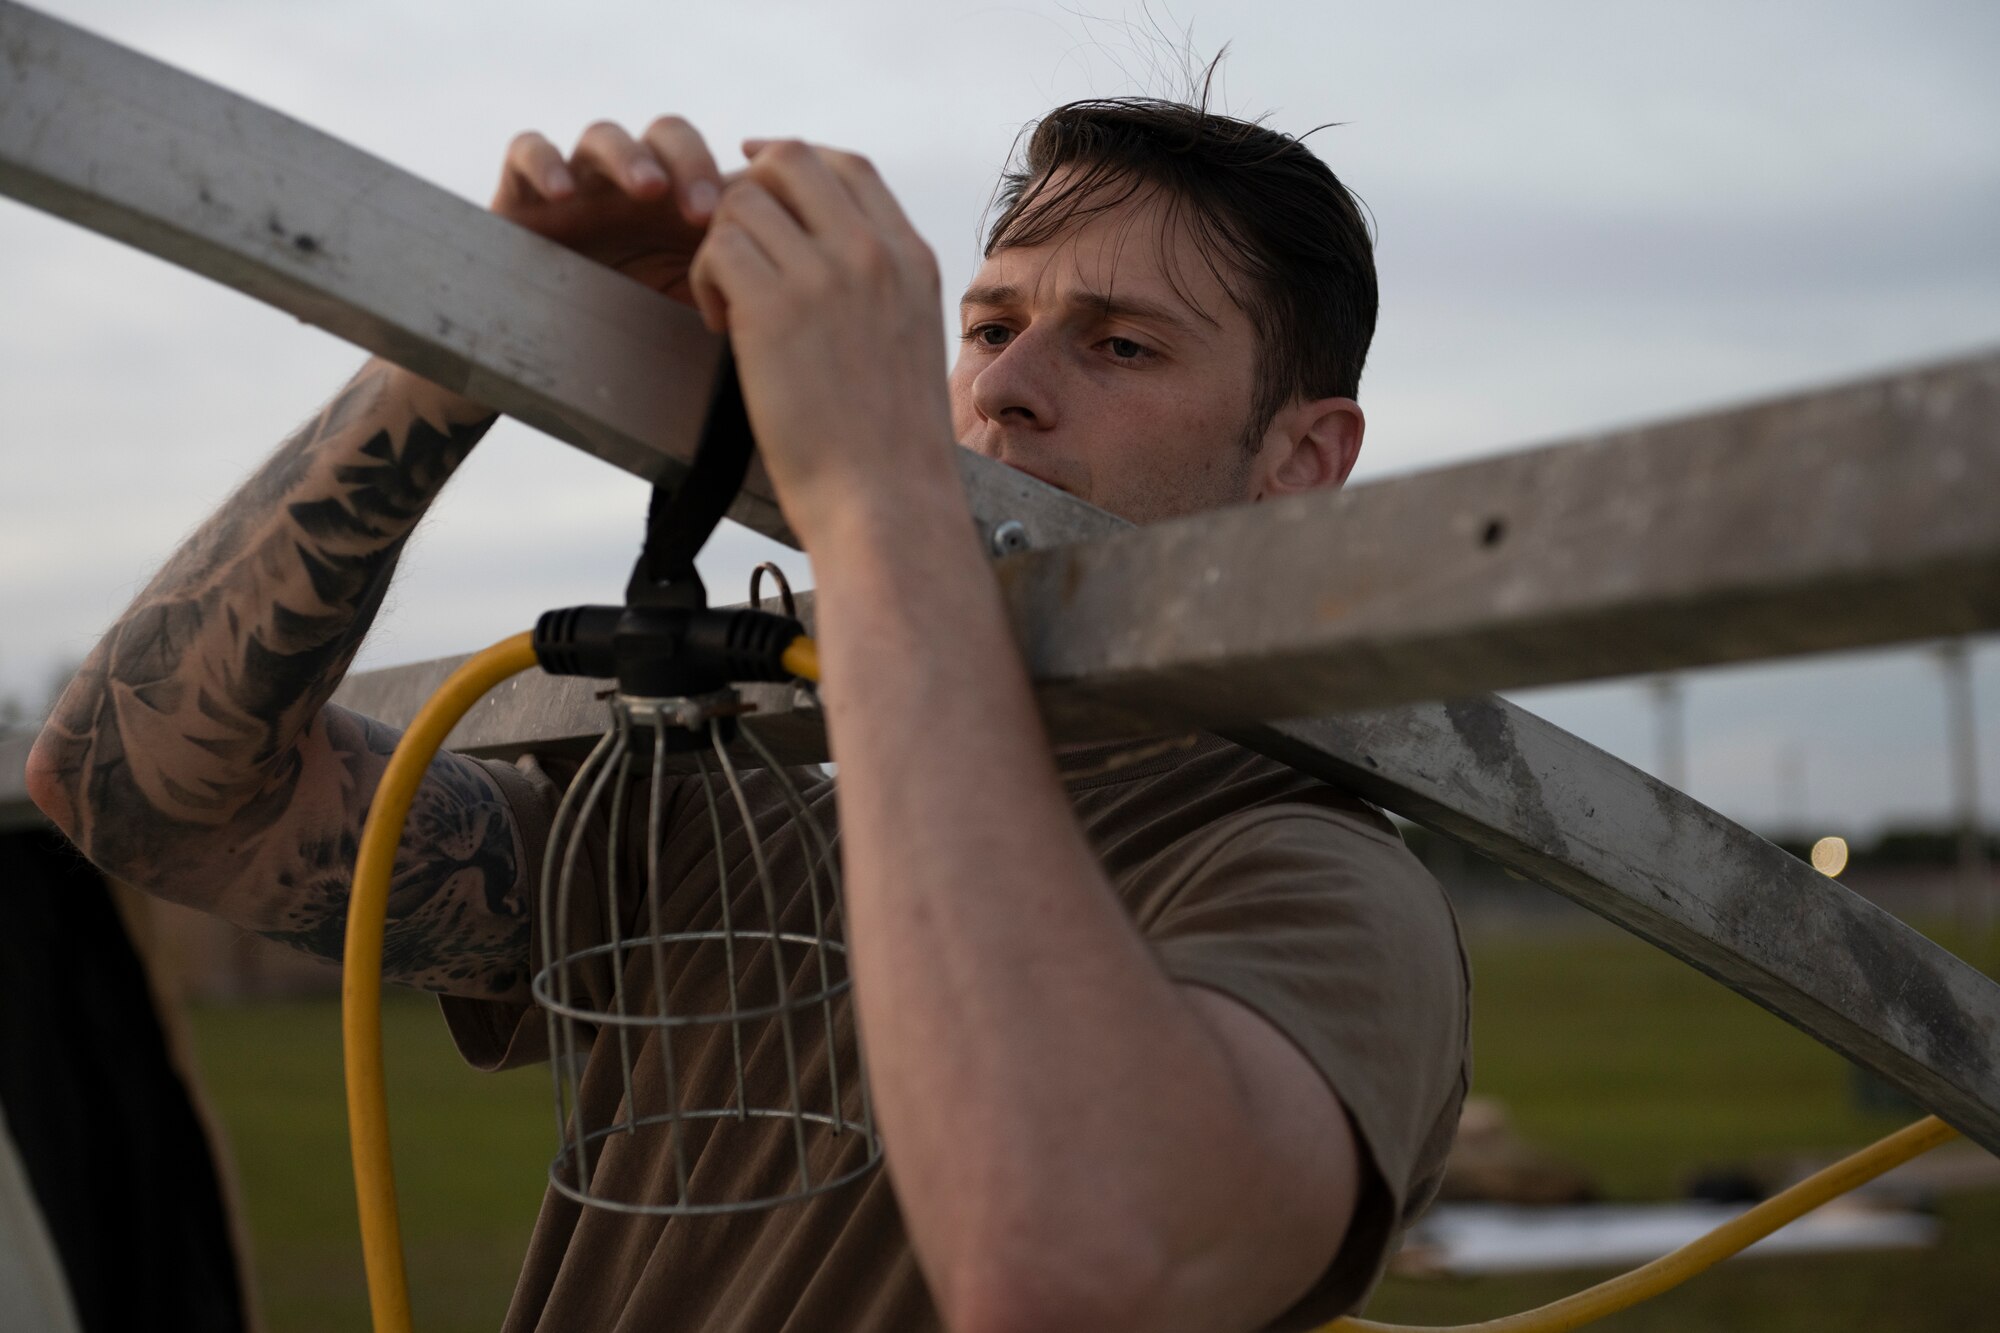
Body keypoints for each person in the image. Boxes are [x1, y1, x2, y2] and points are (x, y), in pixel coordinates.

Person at [27, 95, 1468, 1332]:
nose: (1006, 391)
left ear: (1299, 458)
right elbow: (138, 792)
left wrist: (875, 492)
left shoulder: (1314, 881)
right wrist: (466, 346)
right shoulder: (738, 807)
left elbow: (1070, 1266)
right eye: (989, 325)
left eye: (1121, 348)